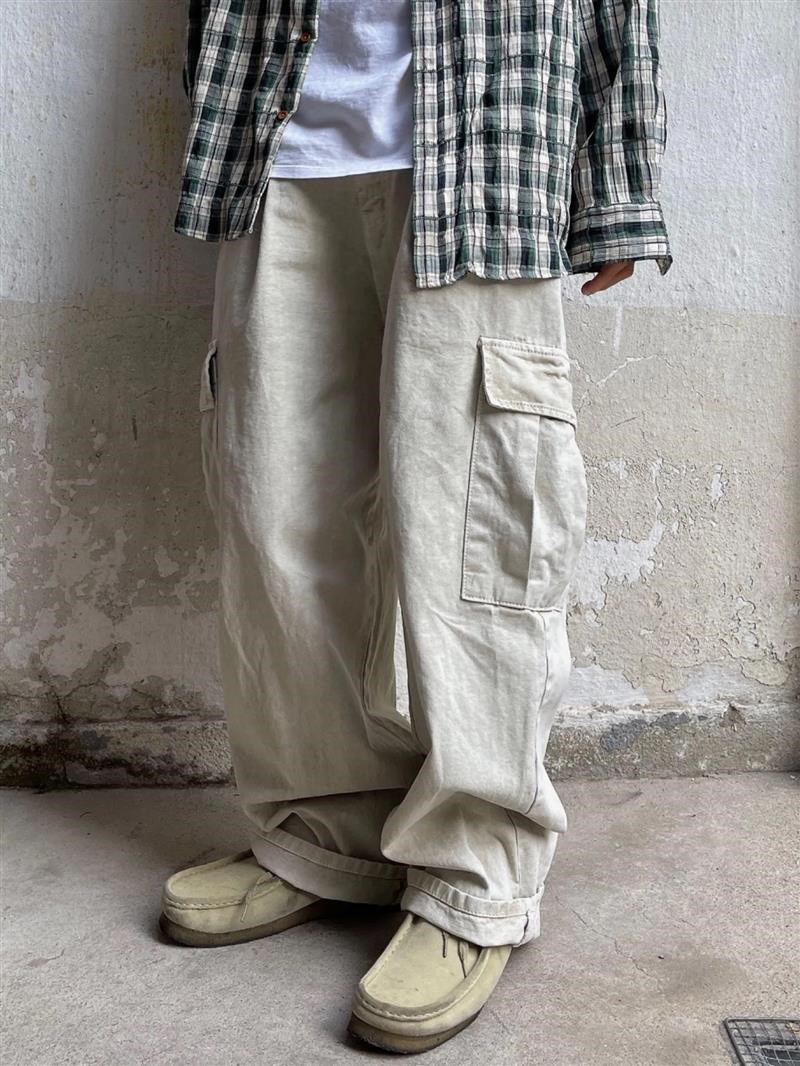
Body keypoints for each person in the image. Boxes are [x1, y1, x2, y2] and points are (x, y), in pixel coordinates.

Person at [161, 0, 671, 1053]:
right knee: (275, 513)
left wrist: (616, 188)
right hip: (280, 134)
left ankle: (475, 873)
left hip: (484, 146)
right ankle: (325, 830)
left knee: (477, 528)